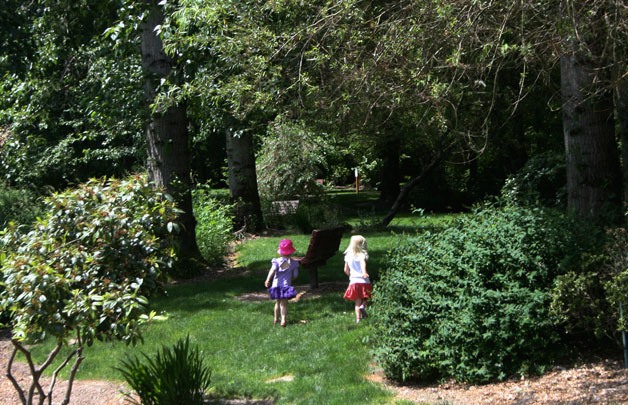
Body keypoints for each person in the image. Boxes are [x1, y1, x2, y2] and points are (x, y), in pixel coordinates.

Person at [264, 239, 299, 327]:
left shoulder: (276, 261)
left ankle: (276, 319)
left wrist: (268, 280)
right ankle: (283, 319)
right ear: (291, 252)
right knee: (284, 304)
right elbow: (295, 275)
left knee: (277, 302)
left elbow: (272, 270)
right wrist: (292, 278)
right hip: (286, 286)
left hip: (276, 286)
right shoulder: (294, 263)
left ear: (280, 252)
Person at [342, 235, 372, 323]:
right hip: (364, 281)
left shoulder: (348, 256)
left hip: (354, 281)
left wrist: (351, 276)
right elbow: (363, 263)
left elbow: (345, 270)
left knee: (357, 302)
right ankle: (363, 306)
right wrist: (364, 272)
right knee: (366, 297)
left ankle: (358, 319)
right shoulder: (362, 255)